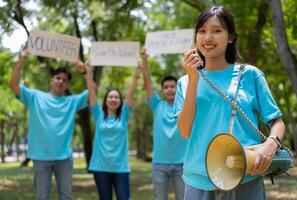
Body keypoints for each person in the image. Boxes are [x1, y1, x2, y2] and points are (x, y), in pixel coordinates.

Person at [174, 6, 286, 200]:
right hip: (197, 180)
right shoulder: (184, 83)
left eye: (217, 31)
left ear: (231, 37)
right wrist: (193, 80)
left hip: (244, 176)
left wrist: (270, 145)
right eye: (202, 31)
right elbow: (185, 131)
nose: (208, 37)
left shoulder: (250, 75)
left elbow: (277, 122)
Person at [9, 49, 89, 200]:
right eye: (58, 78)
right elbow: (13, 85)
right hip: (40, 157)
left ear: (67, 86)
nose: (61, 81)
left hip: (64, 158)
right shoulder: (35, 97)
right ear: (51, 80)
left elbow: (92, 94)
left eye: (65, 80)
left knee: (66, 196)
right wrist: (21, 61)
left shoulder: (72, 101)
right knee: (41, 197)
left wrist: (85, 72)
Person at [86, 63, 142, 200]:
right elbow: (92, 95)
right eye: (110, 97)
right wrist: (88, 74)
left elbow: (130, 94)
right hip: (100, 167)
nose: (113, 99)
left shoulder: (124, 115)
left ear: (120, 101)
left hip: (120, 168)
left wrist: (137, 74)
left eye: (116, 97)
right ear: (105, 101)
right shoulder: (98, 114)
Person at [141, 49, 187, 200]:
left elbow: (192, 80)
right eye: (166, 87)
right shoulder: (157, 105)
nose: (169, 90)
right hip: (159, 164)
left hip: (182, 164)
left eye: (172, 86)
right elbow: (147, 83)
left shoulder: (185, 104)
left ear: (177, 88)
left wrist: (186, 58)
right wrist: (145, 61)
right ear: (162, 90)